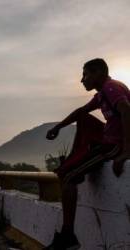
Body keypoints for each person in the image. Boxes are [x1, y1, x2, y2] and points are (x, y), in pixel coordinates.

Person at [44, 58, 130, 250]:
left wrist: (126, 151)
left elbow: (126, 111)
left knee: (67, 176)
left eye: (86, 74)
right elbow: (80, 112)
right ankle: (76, 160)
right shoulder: (102, 94)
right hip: (108, 141)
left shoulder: (111, 87)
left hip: (114, 145)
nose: (82, 80)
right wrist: (59, 126)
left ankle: (68, 237)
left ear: (99, 72)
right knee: (83, 117)